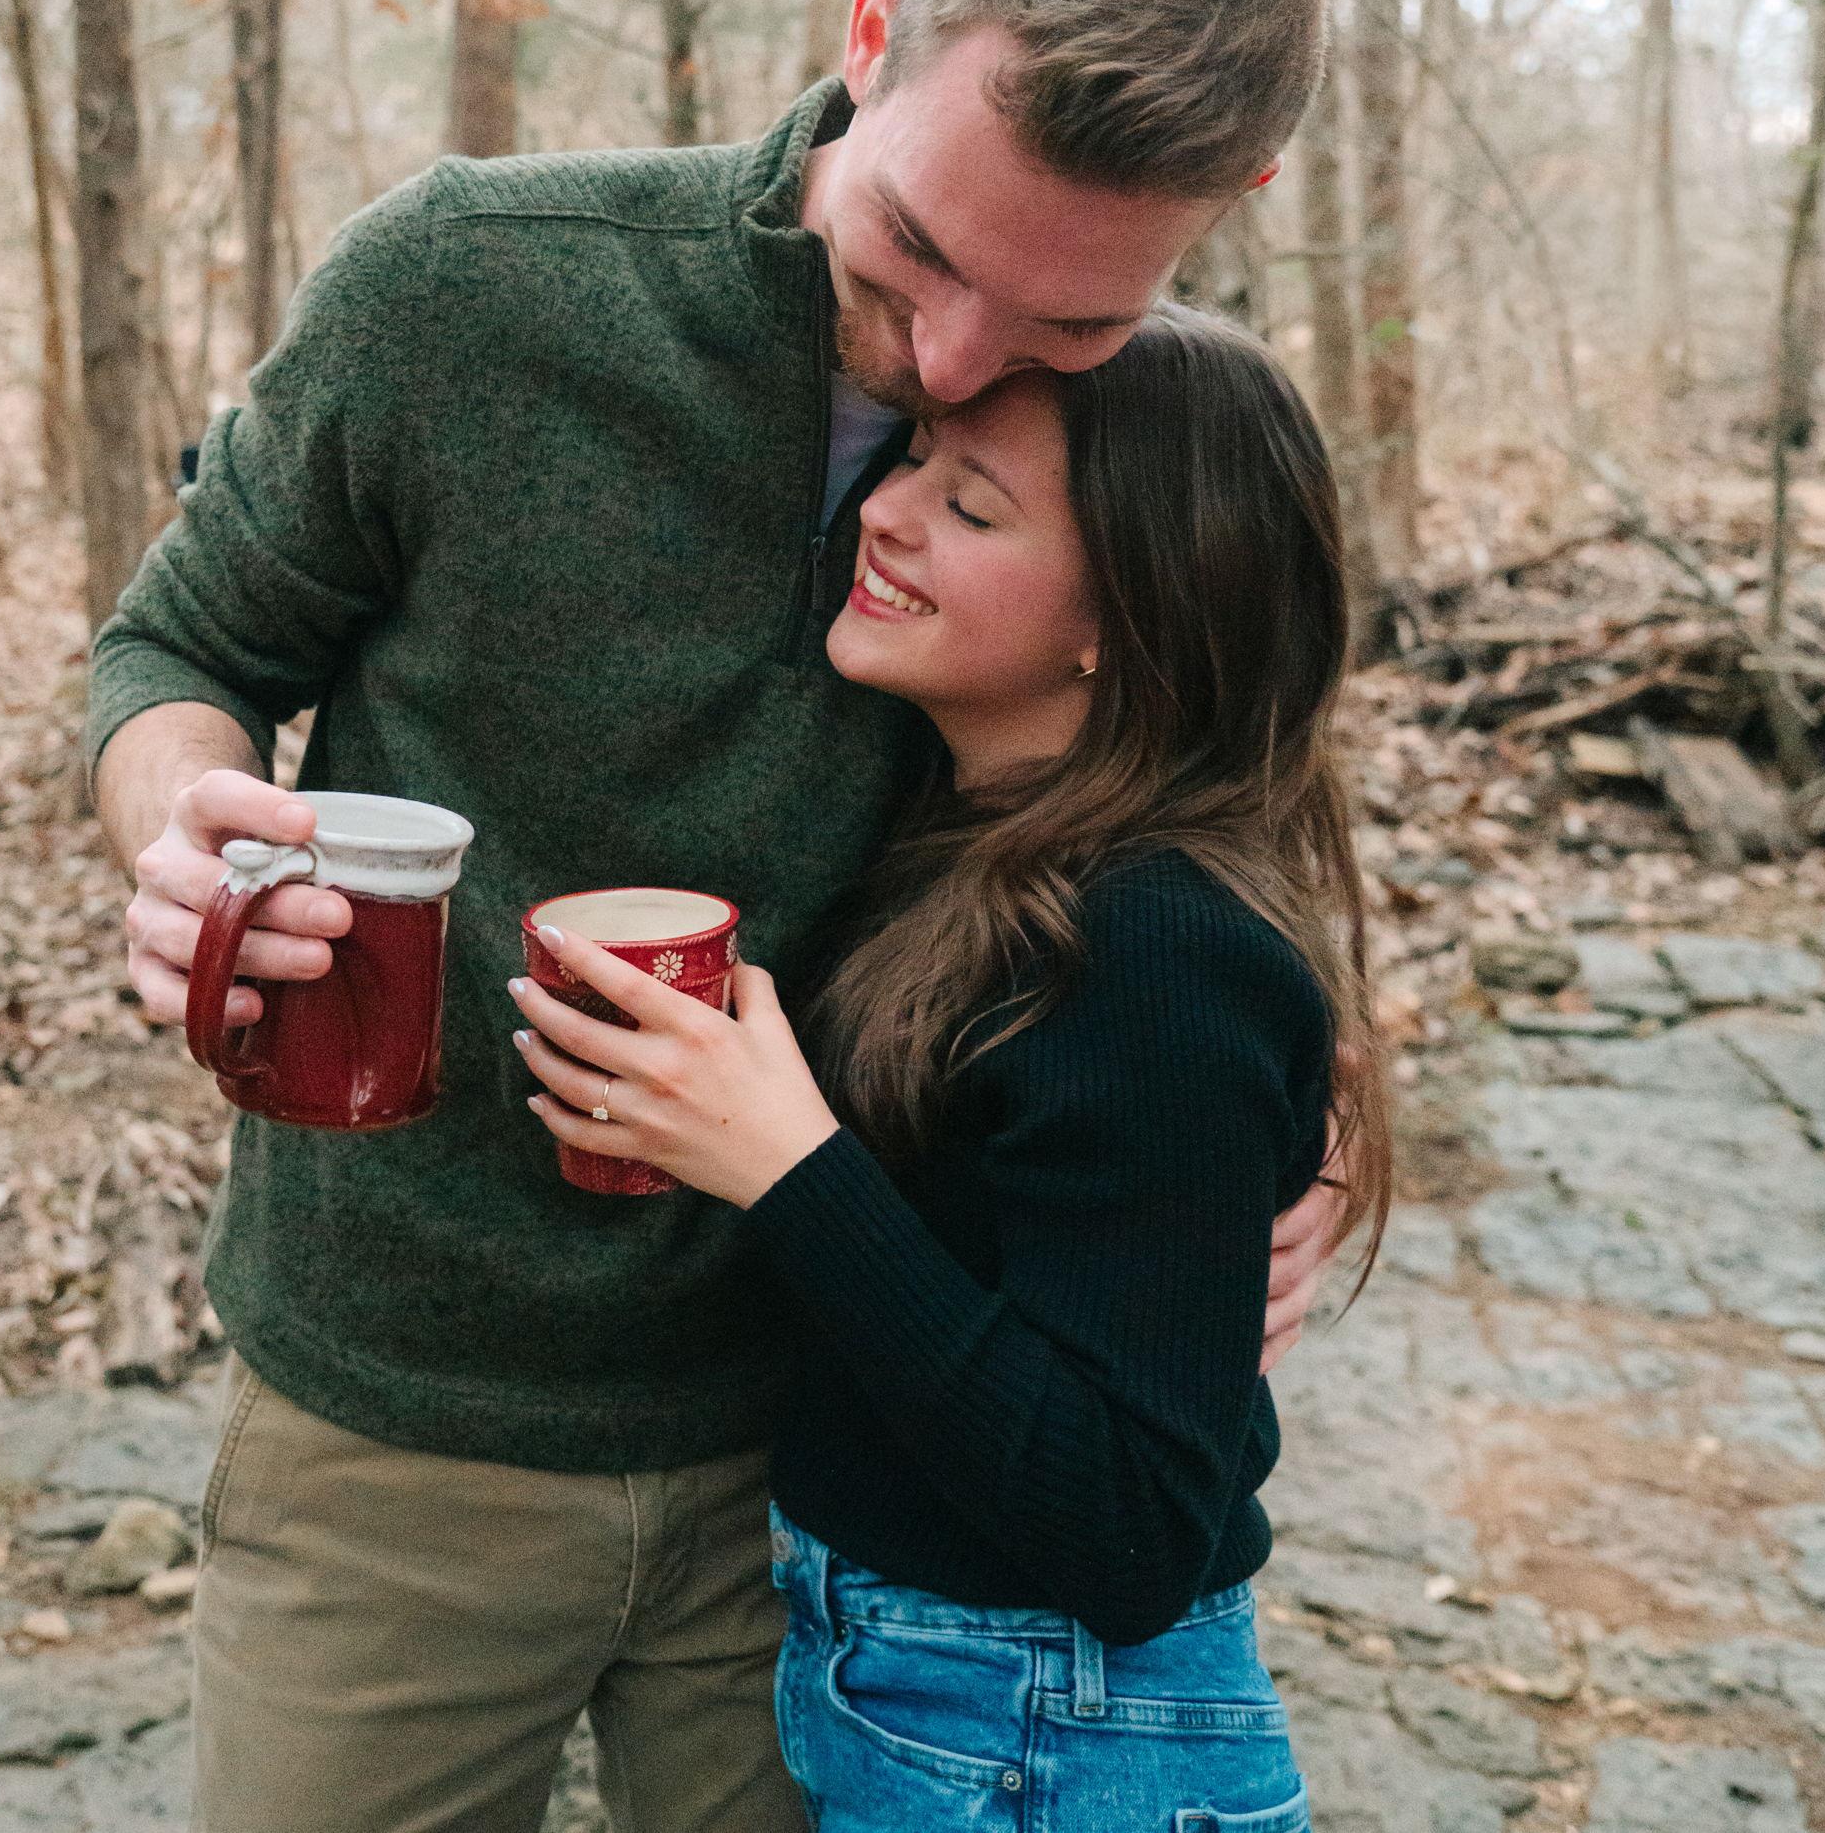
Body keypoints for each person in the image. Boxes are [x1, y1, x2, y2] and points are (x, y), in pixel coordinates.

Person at [87, 0, 1352, 1833]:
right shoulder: (472, 291)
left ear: (1234, 200)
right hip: (401, 1418)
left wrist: (1276, 1145)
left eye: (1066, 326)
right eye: (922, 253)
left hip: (836, 1461)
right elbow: (178, 642)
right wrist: (193, 836)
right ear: (871, 23)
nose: (951, 360)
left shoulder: (1128, 457)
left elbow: (1204, 805)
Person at [509, 306, 1390, 1829]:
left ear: (1135, 613)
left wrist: (786, 1164)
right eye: (915, 456)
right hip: (926, 1700)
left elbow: (1133, 1530)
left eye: (973, 505)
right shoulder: (985, 842)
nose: (892, 509)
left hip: (1060, 1745)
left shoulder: (1156, 943)